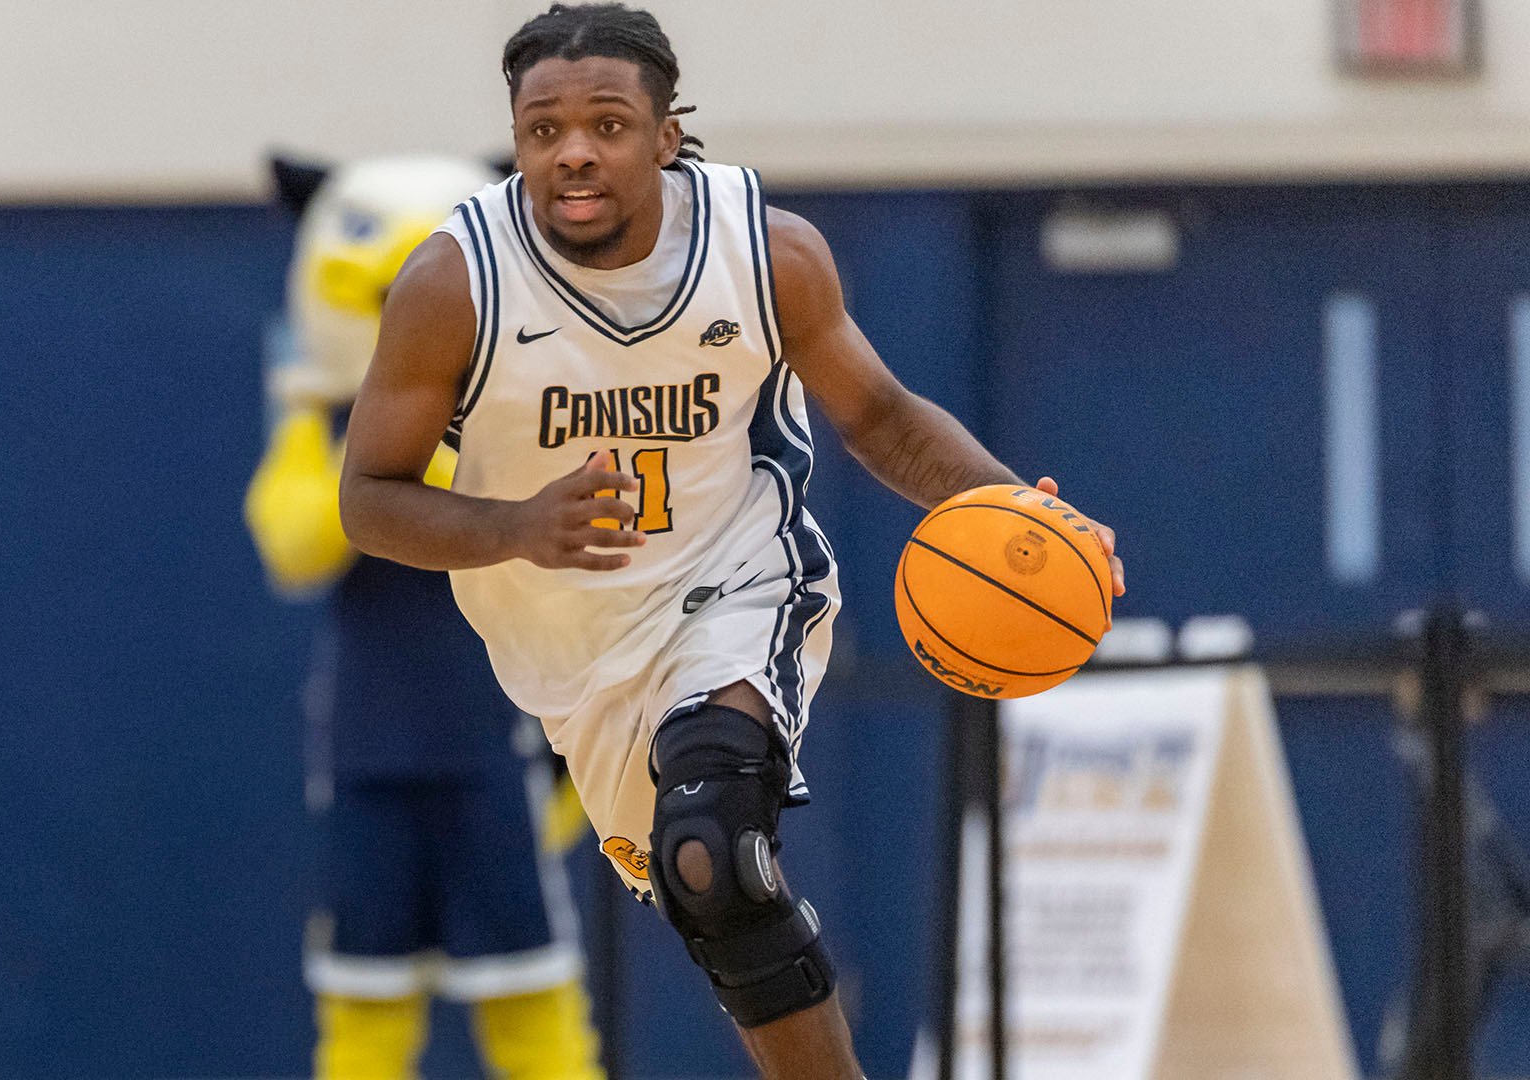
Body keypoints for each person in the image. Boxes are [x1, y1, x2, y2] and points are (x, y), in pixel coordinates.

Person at [338, 6, 1126, 1077]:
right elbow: (370, 502)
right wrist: (521, 526)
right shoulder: (454, 284)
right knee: (708, 899)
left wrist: (1028, 518)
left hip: (734, 584)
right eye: (543, 129)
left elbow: (882, 416)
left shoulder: (765, 254)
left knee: (715, 850)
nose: (572, 150)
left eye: (607, 124)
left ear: (665, 135)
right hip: (570, 660)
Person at [246, 154, 604, 1080]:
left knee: (535, 1006)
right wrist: (376, 448)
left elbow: (545, 525)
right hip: (367, 754)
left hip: (495, 746)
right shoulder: (319, 420)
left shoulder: (515, 407)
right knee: (363, 1015)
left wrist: (426, 457)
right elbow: (294, 544)